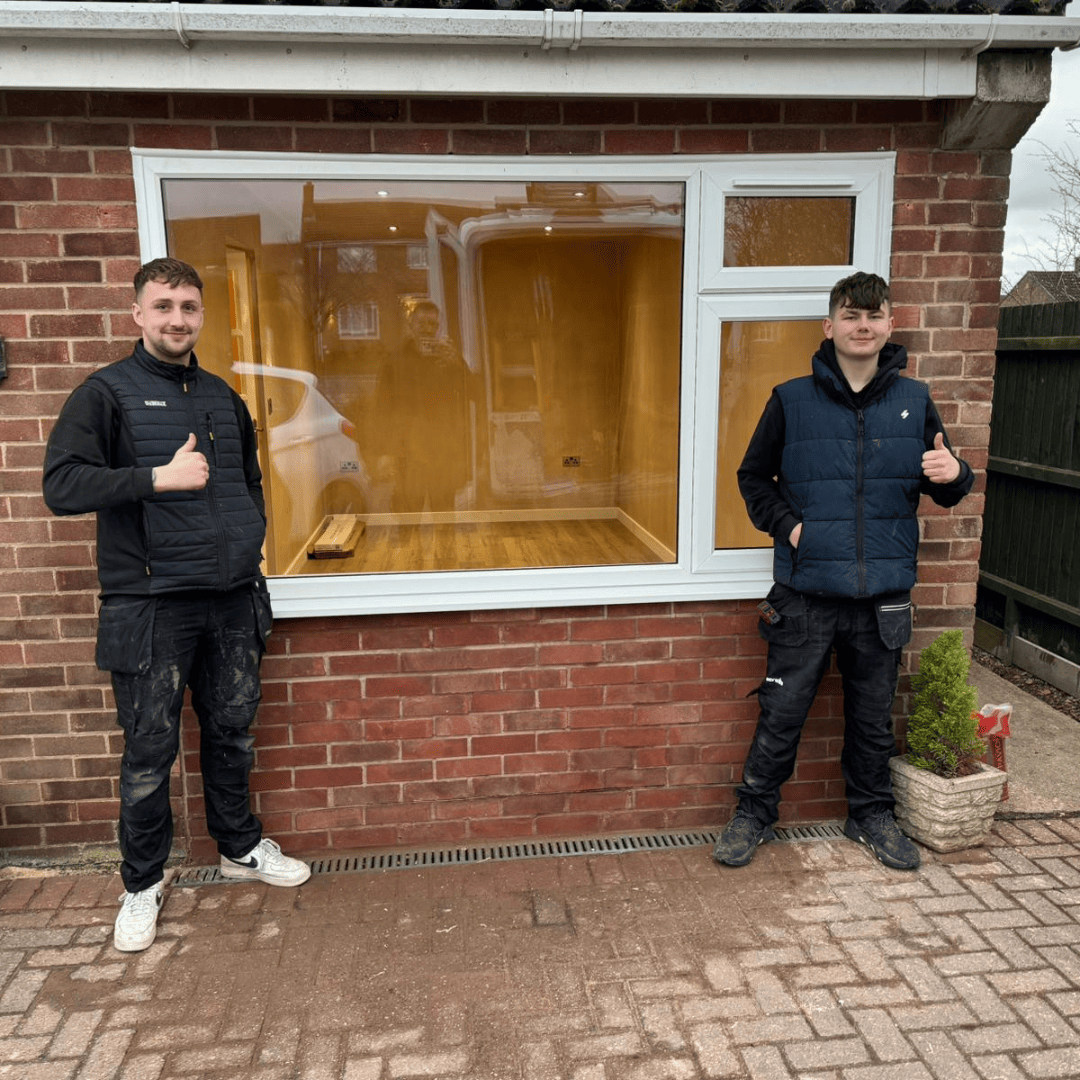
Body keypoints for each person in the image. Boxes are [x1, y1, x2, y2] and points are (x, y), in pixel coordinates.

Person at [42, 257, 310, 953]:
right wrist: (157, 477)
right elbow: (62, 486)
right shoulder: (105, 394)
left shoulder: (222, 396)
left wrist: (248, 543)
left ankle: (240, 847)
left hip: (229, 601)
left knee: (231, 732)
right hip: (153, 607)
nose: (177, 319)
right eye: (163, 306)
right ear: (137, 314)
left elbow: (248, 482)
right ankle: (142, 884)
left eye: (188, 307)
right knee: (149, 752)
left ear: (200, 316)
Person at [712, 271, 973, 872]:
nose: (863, 326)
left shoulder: (915, 401)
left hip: (882, 596)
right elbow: (753, 479)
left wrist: (954, 474)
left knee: (872, 717)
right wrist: (794, 528)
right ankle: (754, 813)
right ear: (829, 327)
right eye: (851, 316)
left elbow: (951, 485)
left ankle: (871, 815)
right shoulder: (790, 399)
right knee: (781, 712)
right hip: (804, 594)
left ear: (889, 325)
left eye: (874, 316)